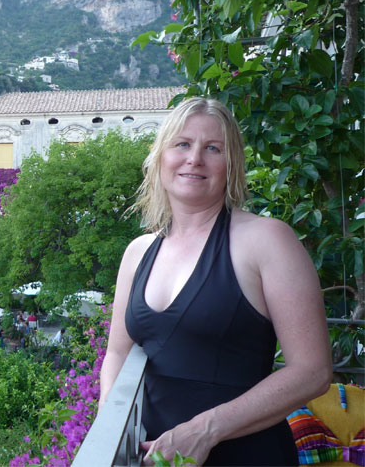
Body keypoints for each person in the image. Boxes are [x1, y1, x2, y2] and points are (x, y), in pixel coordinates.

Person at [99, 97, 331, 466]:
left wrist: (204, 430)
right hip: (156, 459)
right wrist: (110, 431)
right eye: (182, 144)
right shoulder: (138, 252)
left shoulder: (267, 240)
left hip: (248, 456)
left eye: (213, 148)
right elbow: (117, 353)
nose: (194, 159)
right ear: (160, 157)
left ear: (231, 165)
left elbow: (312, 372)